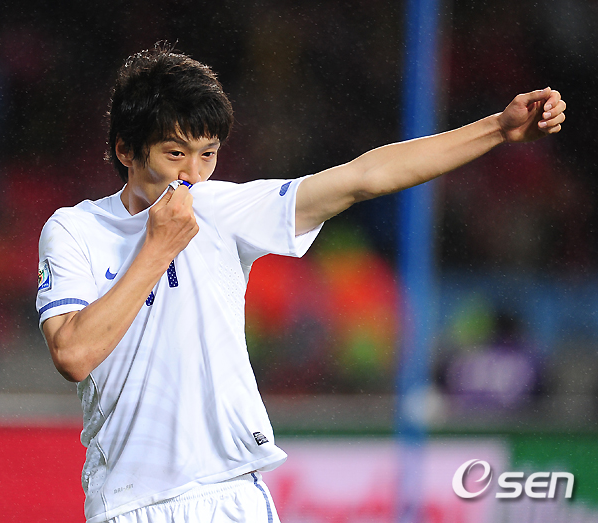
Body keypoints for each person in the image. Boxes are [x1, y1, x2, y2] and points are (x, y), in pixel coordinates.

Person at [36, 43, 566, 523]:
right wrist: (158, 247)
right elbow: (74, 354)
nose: (193, 175)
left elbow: (361, 178)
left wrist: (497, 129)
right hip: (125, 503)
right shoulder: (75, 231)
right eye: (175, 154)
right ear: (126, 151)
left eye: (208, 154)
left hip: (226, 494)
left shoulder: (220, 209)